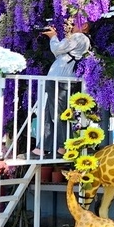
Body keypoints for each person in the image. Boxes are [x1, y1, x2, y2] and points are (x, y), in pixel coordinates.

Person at [36, 15, 91, 157]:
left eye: (75, 22)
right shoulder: (75, 38)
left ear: (84, 25)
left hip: (62, 81)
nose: (71, 25)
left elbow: (57, 48)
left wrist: (53, 36)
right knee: (49, 113)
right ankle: (42, 147)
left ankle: (64, 146)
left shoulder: (80, 37)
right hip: (56, 80)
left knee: (60, 114)